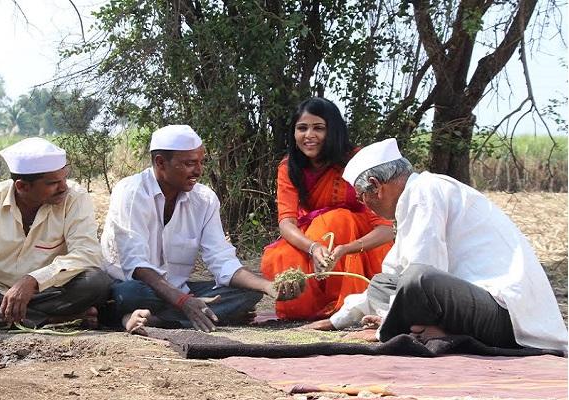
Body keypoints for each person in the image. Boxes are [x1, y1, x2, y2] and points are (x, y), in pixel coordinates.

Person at [304, 138, 567, 352]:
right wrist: (339, 320)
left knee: (419, 278)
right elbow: (393, 276)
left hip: (507, 316)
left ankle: (406, 327)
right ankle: (423, 327)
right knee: (383, 282)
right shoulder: (413, 199)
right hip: (475, 303)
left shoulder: (425, 192)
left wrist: (388, 324)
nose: (365, 205)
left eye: (363, 198)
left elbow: (423, 269)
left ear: (376, 187)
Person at [100, 125, 304, 333]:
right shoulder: (131, 192)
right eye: (189, 163)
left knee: (249, 295)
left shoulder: (205, 199)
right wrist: (184, 301)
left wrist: (268, 287)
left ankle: (156, 320)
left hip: (179, 290)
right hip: (134, 287)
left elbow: (221, 260)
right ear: (161, 162)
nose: (198, 171)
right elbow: (137, 266)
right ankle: (189, 314)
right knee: (131, 294)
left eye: (201, 162)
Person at [0, 137, 111, 328]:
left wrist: (33, 281)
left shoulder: (75, 198)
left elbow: (87, 253)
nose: (64, 187)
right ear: (22, 186)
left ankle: (16, 316)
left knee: (96, 282)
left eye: (65, 178)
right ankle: (49, 319)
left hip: (52, 289)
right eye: (53, 183)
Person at [260, 97, 394, 320]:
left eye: (318, 128)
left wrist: (346, 248)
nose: (308, 136)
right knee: (283, 256)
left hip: (360, 242)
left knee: (337, 219)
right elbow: (287, 222)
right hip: (311, 239)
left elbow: (386, 229)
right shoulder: (288, 167)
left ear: (334, 131)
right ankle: (316, 308)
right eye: (302, 128)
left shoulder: (357, 161)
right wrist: (313, 247)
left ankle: (343, 303)